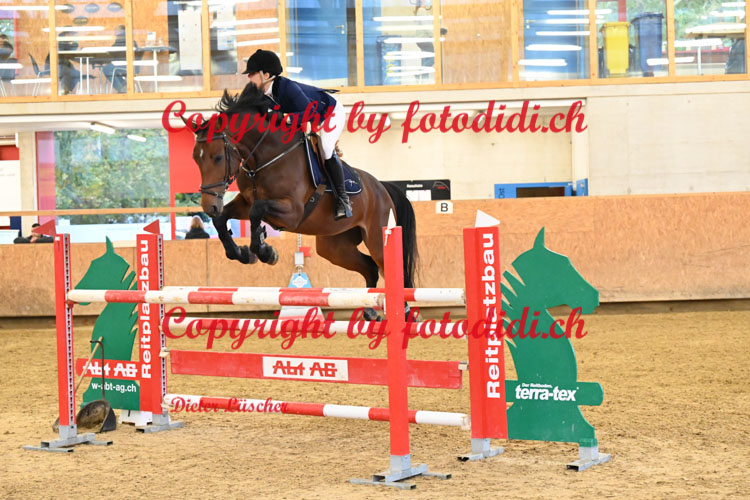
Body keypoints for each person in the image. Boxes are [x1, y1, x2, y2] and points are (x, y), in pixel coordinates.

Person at [242, 49, 352, 220]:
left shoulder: (287, 88)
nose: (249, 77)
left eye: (252, 73)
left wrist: (286, 118)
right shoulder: (259, 95)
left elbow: (311, 114)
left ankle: (343, 200)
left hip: (329, 112)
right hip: (303, 117)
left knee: (326, 147)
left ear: (266, 75)